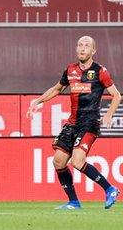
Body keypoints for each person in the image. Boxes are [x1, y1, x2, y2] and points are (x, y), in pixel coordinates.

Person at [27, 35, 121, 210]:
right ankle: (74, 202)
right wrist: (38, 101)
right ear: (76, 49)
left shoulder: (100, 71)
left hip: (89, 123)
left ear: (93, 51)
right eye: (80, 45)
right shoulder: (70, 70)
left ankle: (110, 189)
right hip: (72, 124)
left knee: (77, 161)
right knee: (58, 161)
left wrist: (109, 114)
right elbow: (57, 89)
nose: (82, 48)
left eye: (87, 46)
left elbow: (116, 95)